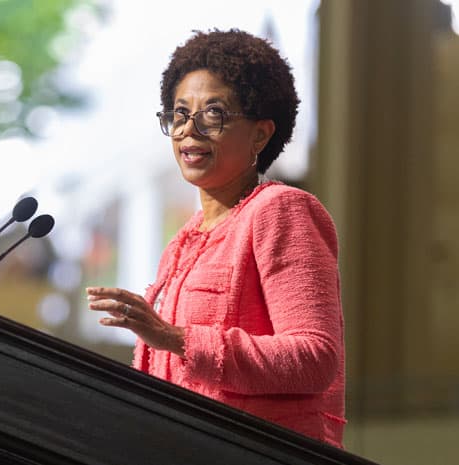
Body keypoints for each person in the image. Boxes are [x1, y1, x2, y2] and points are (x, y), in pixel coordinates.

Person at [86, 28, 346, 448]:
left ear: (260, 134)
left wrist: (174, 337)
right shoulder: (184, 240)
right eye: (179, 114)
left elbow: (314, 359)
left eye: (213, 114)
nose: (189, 130)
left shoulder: (280, 211)